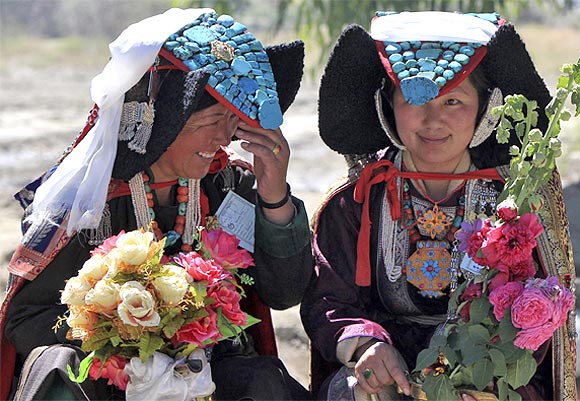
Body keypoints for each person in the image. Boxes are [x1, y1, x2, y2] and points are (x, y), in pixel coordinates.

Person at [0, 8, 313, 401]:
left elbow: (285, 294)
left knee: (263, 380)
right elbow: (26, 320)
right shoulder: (87, 201)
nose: (224, 137)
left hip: (209, 375)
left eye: (232, 120)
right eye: (210, 121)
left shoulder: (228, 186)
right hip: (110, 379)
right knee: (56, 368)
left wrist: (274, 195)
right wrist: (126, 334)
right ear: (162, 116)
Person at [301, 11, 577, 401]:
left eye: (453, 100)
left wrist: (490, 368)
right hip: (385, 372)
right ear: (387, 104)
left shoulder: (516, 202)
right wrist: (367, 347)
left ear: (487, 107)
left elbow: (542, 314)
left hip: (488, 375)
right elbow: (330, 299)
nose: (434, 120)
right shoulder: (359, 201)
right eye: (416, 99)